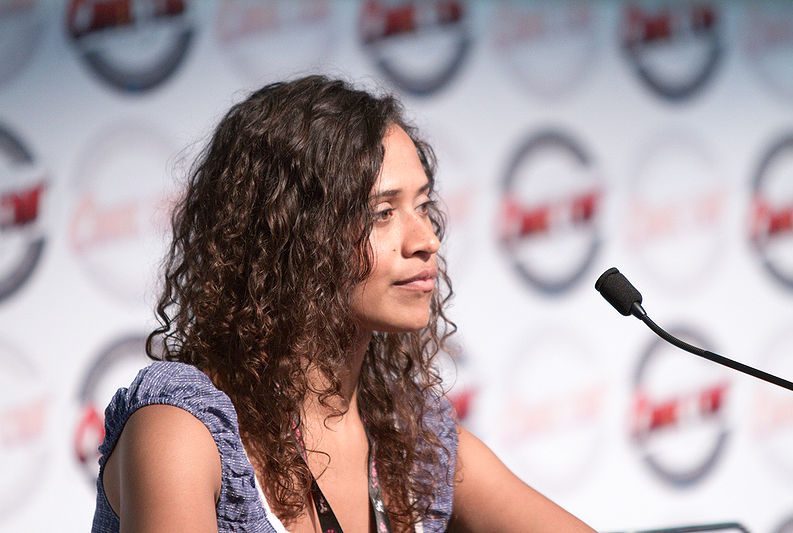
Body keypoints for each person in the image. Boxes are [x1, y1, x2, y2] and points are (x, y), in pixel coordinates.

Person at [91, 76, 596, 533]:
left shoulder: (415, 441)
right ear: (290, 234)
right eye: (382, 213)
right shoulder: (180, 430)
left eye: (423, 206)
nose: (426, 240)